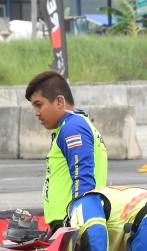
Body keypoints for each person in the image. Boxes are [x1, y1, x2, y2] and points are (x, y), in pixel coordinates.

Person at [24, 70, 108, 232]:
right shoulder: (74, 125)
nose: (36, 113)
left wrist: (77, 225)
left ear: (59, 102)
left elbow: (82, 178)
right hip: (69, 222)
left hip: (71, 225)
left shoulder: (73, 128)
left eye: (39, 105)